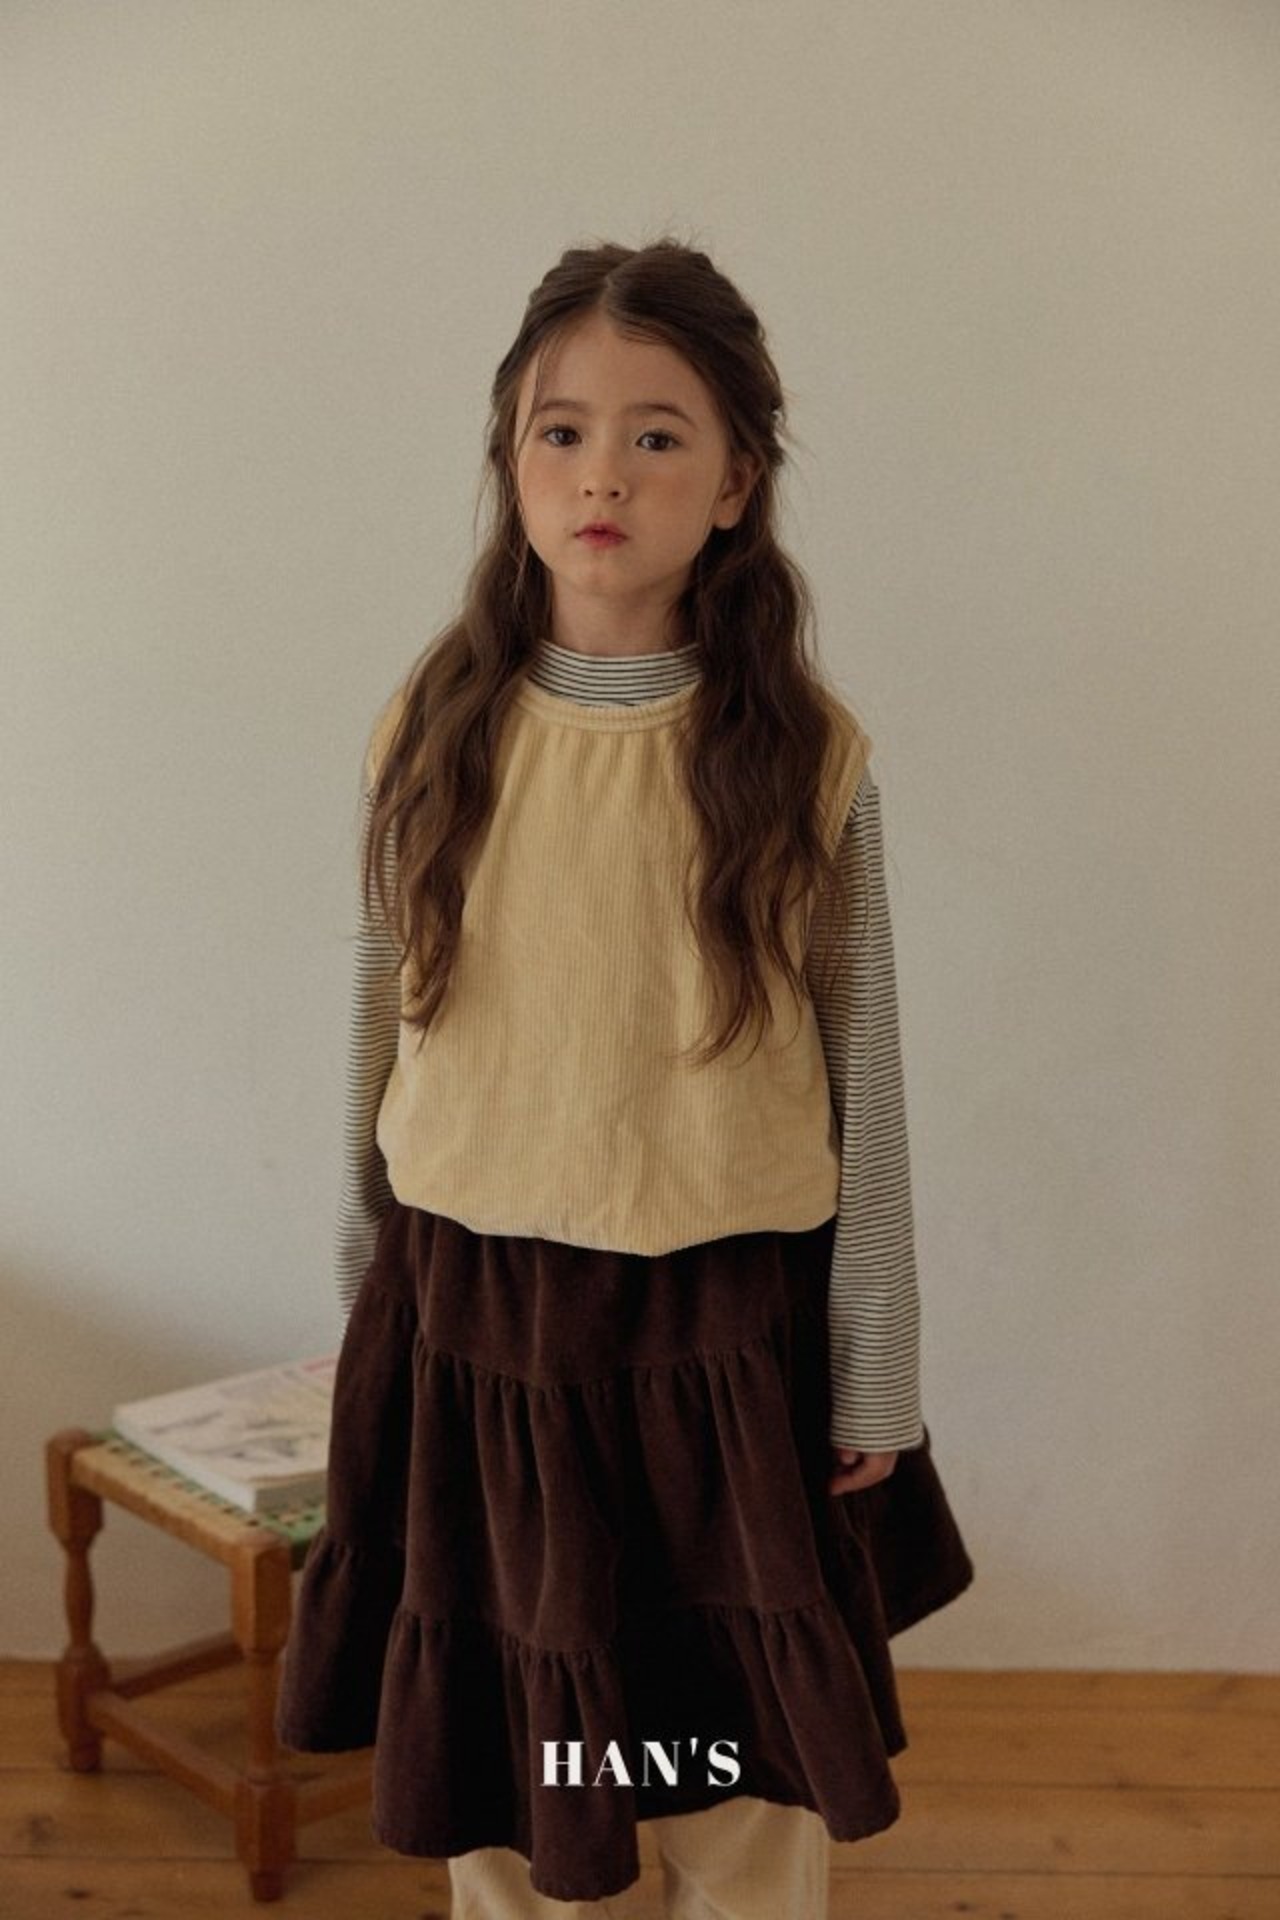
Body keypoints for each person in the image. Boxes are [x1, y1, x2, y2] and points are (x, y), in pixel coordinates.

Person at [276, 236, 975, 1918]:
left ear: (735, 483)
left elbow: (863, 1061)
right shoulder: (431, 729)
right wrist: (368, 1289)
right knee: (523, 1761)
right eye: (562, 431)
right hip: (482, 1317)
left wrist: (873, 1358)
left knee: (728, 1756)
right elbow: (381, 1015)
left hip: (720, 1324)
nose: (605, 474)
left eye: (659, 435)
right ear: (511, 464)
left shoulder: (803, 758)